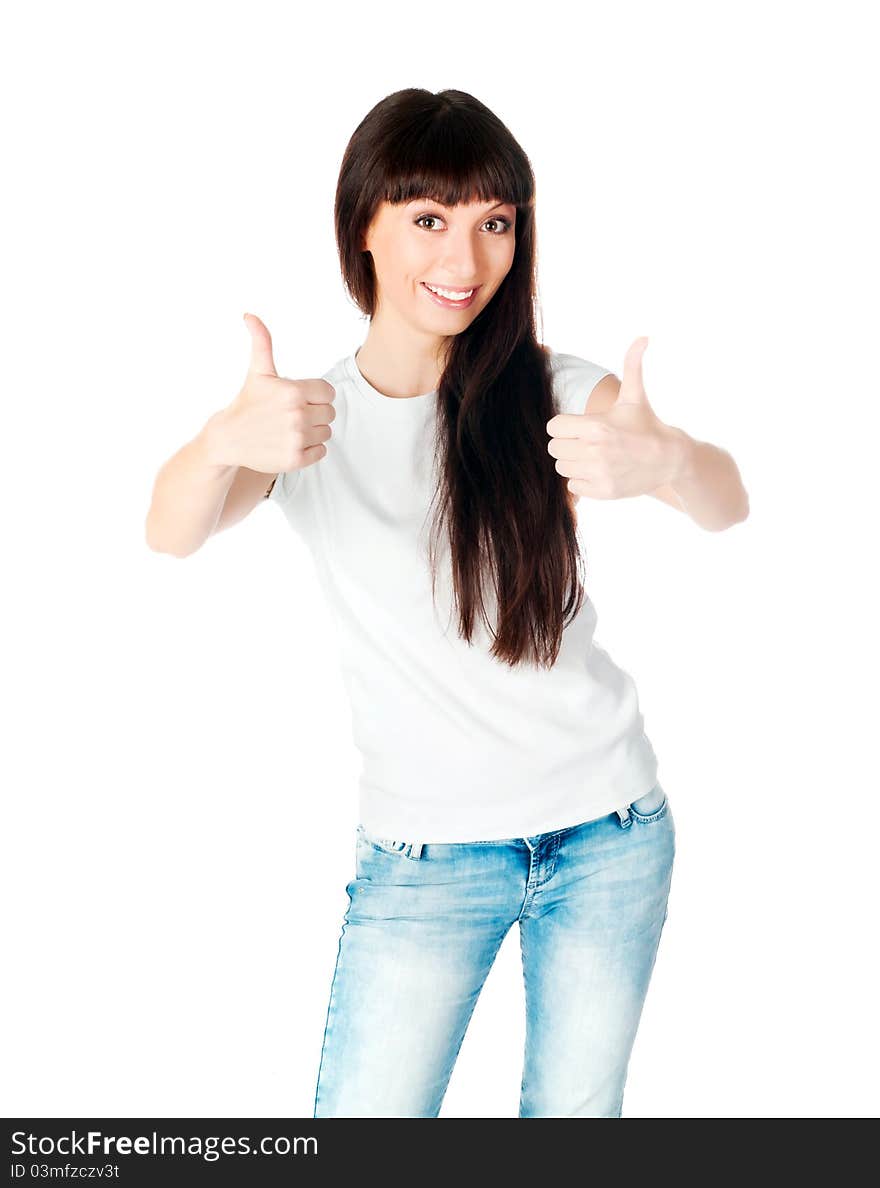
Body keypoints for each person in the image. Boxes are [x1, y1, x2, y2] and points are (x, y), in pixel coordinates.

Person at [145, 88, 748, 1118]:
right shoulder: (303, 423)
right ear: (364, 228)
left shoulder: (554, 389)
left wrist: (669, 460)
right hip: (425, 861)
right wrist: (215, 445)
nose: (465, 261)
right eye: (429, 219)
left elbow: (725, 501)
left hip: (610, 833)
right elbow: (171, 530)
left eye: (494, 223)